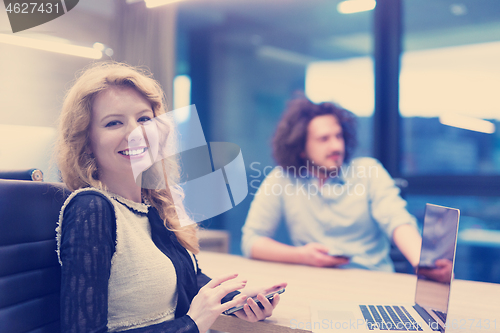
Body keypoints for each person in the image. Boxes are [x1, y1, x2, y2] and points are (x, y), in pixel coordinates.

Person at [55, 62, 285, 333]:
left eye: (143, 119)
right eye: (114, 122)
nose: (135, 133)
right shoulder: (91, 209)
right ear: (87, 139)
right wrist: (192, 324)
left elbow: (186, 278)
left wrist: (236, 302)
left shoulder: (154, 202)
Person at [241, 97, 422, 272]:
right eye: (324, 139)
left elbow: (398, 221)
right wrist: (301, 256)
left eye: (339, 136)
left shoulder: (369, 171)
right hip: (315, 284)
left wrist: (423, 264)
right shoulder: (282, 178)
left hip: (371, 281)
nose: (336, 146)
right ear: (301, 148)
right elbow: (252, 240)